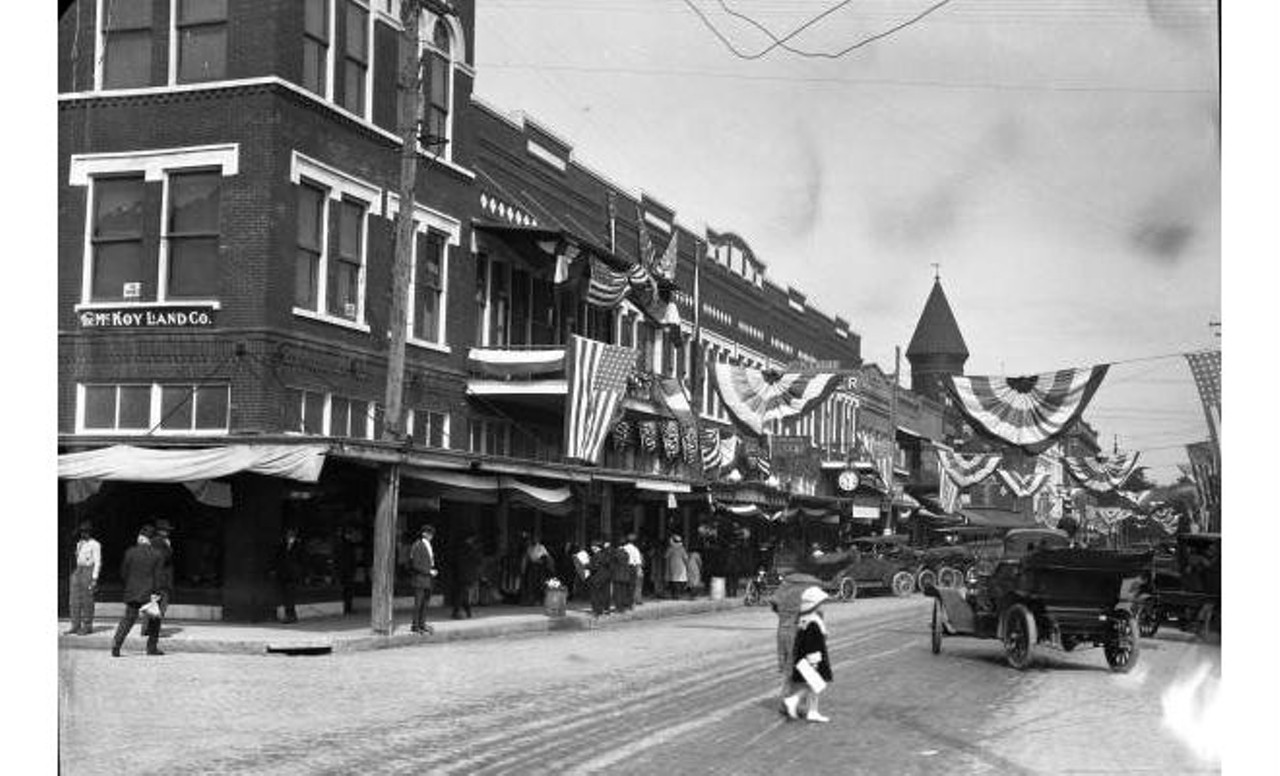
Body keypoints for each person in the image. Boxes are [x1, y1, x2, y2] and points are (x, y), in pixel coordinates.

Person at [782, 586, 834, 723]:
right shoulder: (813, 622)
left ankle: (812, 710)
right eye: (820, 604)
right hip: (811, 658)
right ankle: (794, 700)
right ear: (814, 605)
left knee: (814, 685)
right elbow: (812, 643)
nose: (822, 607)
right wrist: (814, 661)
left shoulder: (805, 620)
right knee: (815, 684)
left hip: (802, 657)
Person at [110, 525, 162, 657]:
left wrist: (130, 585)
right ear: (151, 539)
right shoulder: (157, 554)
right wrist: (156, 592)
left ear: (141, 537)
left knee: (128, 619)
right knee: (154, 621)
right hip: (149, 593)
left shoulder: (130, 552)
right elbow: (157, 576)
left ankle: (117, 644)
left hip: (132, 591)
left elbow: (123, 573)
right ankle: (151, 648)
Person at [143, 519, 175, 645]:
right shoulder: (160, 542)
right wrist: (168, 546)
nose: (167, 532)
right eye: (165, 530)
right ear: (161, 531)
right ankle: (153, 630)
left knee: (152, 603)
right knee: (161, 604)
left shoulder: (152, 542)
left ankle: (146, 628)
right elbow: (163, 559)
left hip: (154, 577)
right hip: (161, 578)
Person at [67, 521, 102, 635]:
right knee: (74, 599)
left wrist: (94, 578)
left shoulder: (95, 544)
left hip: (88, 570)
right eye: (82, 531)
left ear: (90, 532)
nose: (83, 534)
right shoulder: (79, 543)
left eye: (85, 531)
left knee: (87, 600)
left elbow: (97, 562)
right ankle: (75, 625)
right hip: (78, 569)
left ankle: (87, 626)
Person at [410, 524, 438, 634]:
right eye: (429, 533)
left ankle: (422, 623)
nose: (431, 535)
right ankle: (415, 625)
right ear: (424, 533)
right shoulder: (418, 545)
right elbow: (415, 564)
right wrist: (429, 571)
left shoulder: (428, 545)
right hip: (420, 578)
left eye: (432, 534)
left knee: (425, 603)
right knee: (418, 603)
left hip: (428, 578)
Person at [274, 527, 305, 624]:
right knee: (286, 595)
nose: (290, 538)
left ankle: (291, 616)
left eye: (291, 536)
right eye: (288, 536)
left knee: (290, 595)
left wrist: (300, 571)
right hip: (284, 574)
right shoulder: (283, 546)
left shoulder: (299, 546)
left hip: (293, 574)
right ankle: (291, 615)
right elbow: (279, 558)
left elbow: (302, 560)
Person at [448, 534, 481, 619]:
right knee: (463, 594)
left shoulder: (459, 549)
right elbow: (476, 561)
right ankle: (462, 612)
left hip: (460, 574)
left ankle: (464, 612)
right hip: (466, 575)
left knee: (461, 593)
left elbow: (454, 562)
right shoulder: (470, 549)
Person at [520, 535, 553, 606]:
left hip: (540, 568)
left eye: (535, 539)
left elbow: (546, 557)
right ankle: (532, 600)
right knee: (531, 584)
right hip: (531, 567)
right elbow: (526, 558)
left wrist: (543, 562)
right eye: (533, 539)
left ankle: (539, 600)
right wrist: (523, 568)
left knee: (539, 583)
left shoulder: (541, 547)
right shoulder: (529, 548)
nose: (534, 541)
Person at [587, 541, 612, 617]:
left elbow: (594, 567)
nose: (591, 548)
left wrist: (586, 566)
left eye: (592, 547)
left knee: (596, 594)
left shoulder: (596, 556)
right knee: (605, 593)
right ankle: (606, 609)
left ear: (595, 547)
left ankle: (597, 611)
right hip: (606, 577)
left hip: (597, 577)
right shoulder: (606, 555)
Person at [609, 537, 634, 613]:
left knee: (617, 593)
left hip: (617, 576)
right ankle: (623, 608)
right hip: (625, 576)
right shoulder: (626, 553)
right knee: (623, 592)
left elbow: (612, 565)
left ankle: (618, 608)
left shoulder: (615, 553)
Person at [622, 533, 644, 607]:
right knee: (632, 585)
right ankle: (631, 602)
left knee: (625, 585)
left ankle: (624, 601)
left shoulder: (623, 548)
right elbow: (638, 561)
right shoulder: (635, 549)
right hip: (632, 568)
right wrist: (639, 570)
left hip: (623, 567)